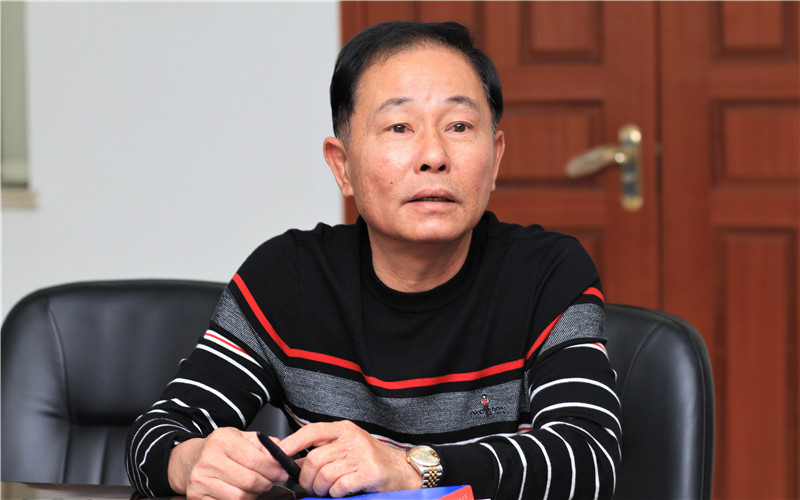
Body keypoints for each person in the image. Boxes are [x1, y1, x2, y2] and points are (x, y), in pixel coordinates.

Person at [126, 20, 621, 500]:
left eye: (459, 125)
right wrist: (191, 461)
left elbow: (589, 459)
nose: (433, 155)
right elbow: (156, 433)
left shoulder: (547, 274)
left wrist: (410, 469)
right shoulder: (288, 279)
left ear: (495, 157)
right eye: (399, 126)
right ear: (342, 166)